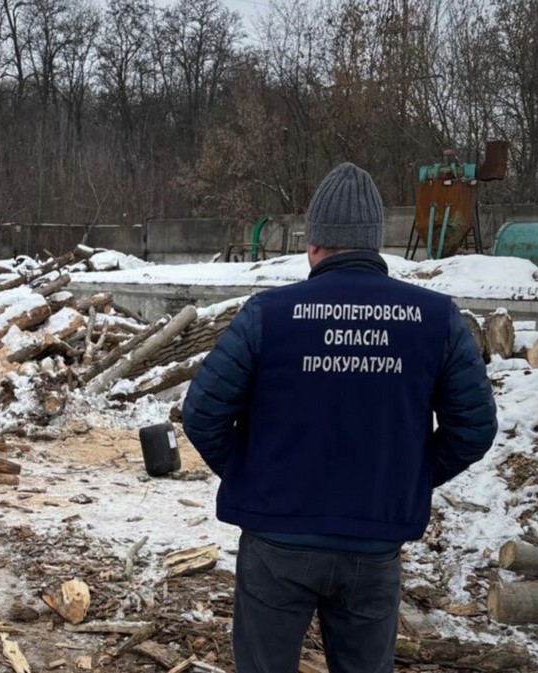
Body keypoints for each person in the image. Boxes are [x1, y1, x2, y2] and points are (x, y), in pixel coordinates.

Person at [181, 162, 498, 673]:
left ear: (314, 243)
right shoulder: (436, 319)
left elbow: (201, 413)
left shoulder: (269, 314)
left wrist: (255, 476)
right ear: (376, 244)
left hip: (277, 541)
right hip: (373, 545)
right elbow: (475, 427)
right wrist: (405, 479)